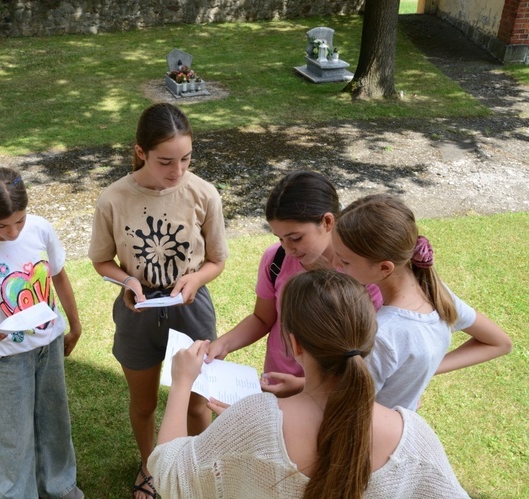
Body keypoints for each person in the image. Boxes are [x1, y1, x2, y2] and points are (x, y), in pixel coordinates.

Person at [149, 270, 470, 498]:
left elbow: (170, 474)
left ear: (295, 345)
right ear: (368, 338)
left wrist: (181, 384)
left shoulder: (253, 420)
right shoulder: (413, 438)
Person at [88, 102, 229, 498]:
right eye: (166, 161)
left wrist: (195, 279)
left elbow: (217, 260)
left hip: (191, 308)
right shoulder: (113, 199)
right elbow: (101, 261)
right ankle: (151, 466)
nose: (178, 171)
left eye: (186, 159)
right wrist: (128, 279)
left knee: (197, 406)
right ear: (140, 152)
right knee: (145, 404)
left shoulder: (204, 194)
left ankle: (201, 468)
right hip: (137, 312)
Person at [0, 167, 83, 499]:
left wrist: (74, 325)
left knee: (54, 420)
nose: (12, 232)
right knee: (13, 434)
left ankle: (60, 486)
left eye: (19, 221)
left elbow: (58, 277)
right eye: (1, 225)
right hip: (6, 357)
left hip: (48, 344)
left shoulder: (40, 229)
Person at [206, 170, 382, 397]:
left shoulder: (362, 274)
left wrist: (304, 385)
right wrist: (224, 344)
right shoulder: (276, 259)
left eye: (296, 238)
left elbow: (366, 354)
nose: (288, 249)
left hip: (331, 394)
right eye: (280, 238)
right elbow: (262, 318)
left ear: (327, 222)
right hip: (277, 381)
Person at [333, 194, 512, 411]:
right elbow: (500, 342)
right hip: (403, 432)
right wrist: (419, 372)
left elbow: (349, 411)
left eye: (344, 261)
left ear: (384, 268)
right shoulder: (437, 293)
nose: (336, 264)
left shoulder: (382, 336)